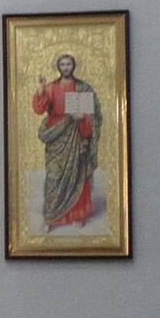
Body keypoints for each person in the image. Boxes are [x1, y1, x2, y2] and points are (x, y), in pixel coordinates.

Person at [31, 53, 101, 230]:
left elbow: (95, 115)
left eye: (68, 64)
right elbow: (39, 109)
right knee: (54, 177)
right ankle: (51, 218)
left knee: (77, 174)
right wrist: (40, 89)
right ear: (58, 67)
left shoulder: (83, 88)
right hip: (57, 137)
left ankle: (77, 215)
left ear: (73, 65)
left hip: (77, 136)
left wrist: (83, 117)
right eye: (62, 64)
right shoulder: (51, 87)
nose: (66, 67)